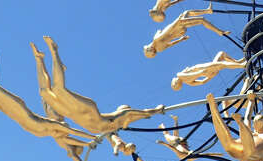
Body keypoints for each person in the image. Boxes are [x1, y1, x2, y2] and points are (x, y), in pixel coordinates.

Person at [0, 43, 96, 161]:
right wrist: (91, 140)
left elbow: (75, 157)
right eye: (73, 150)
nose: (70, 154)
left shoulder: (59, 138)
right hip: (21, 109)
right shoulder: (58, 126)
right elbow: (73, 133)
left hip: (16, 115)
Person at [32, 35, 165, 131]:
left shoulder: (113, 127)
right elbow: (143, 113)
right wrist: (157, 110)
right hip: (87, 110)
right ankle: (54, 50)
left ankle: (39, 59)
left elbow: (139, 116)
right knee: (59, 90)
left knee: (45, 93)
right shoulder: (120, 116)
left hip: (73, 114)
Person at [206, 90, 263, 161]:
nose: (256, 125)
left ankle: (240, 123)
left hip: (258, 156)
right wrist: (251, 100)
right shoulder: (252, 133)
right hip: (244, 152)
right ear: (254, 125)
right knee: (229, 145)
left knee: (249, 149)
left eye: (260, 122)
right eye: (255, 123)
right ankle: (214, 110)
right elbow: (247, 117)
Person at [144, 4, 229, 58]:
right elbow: (168, 29)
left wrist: (181, 39)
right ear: (150, 48)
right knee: (201, 19)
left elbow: (171, 44)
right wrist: (177, 21)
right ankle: (219, 31)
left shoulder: (160, 49)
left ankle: (208, 11)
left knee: (189, 14)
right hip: (178, 26)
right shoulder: (156, 39)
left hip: (179, 31)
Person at [156, 114, 222, 161]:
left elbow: (172, 148)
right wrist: (216, 154)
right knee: (168, 135)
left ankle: (173, 122)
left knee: (172, 135)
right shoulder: (184, 155)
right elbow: (205, 154)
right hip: (179, 142)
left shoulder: (181, 155)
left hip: (179, 142)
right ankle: (164, 126)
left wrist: (163, 143)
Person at [171, 50, 246, 90]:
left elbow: (202, 82)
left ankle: (237, 62)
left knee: (221, 55)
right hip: (203, 69)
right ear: (176, 83)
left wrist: (209, 77)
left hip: (206, 73)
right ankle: (241, 65)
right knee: (222, 64)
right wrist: (200, 72)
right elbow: (191, 74)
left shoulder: (189, 82)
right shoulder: (179, 75)